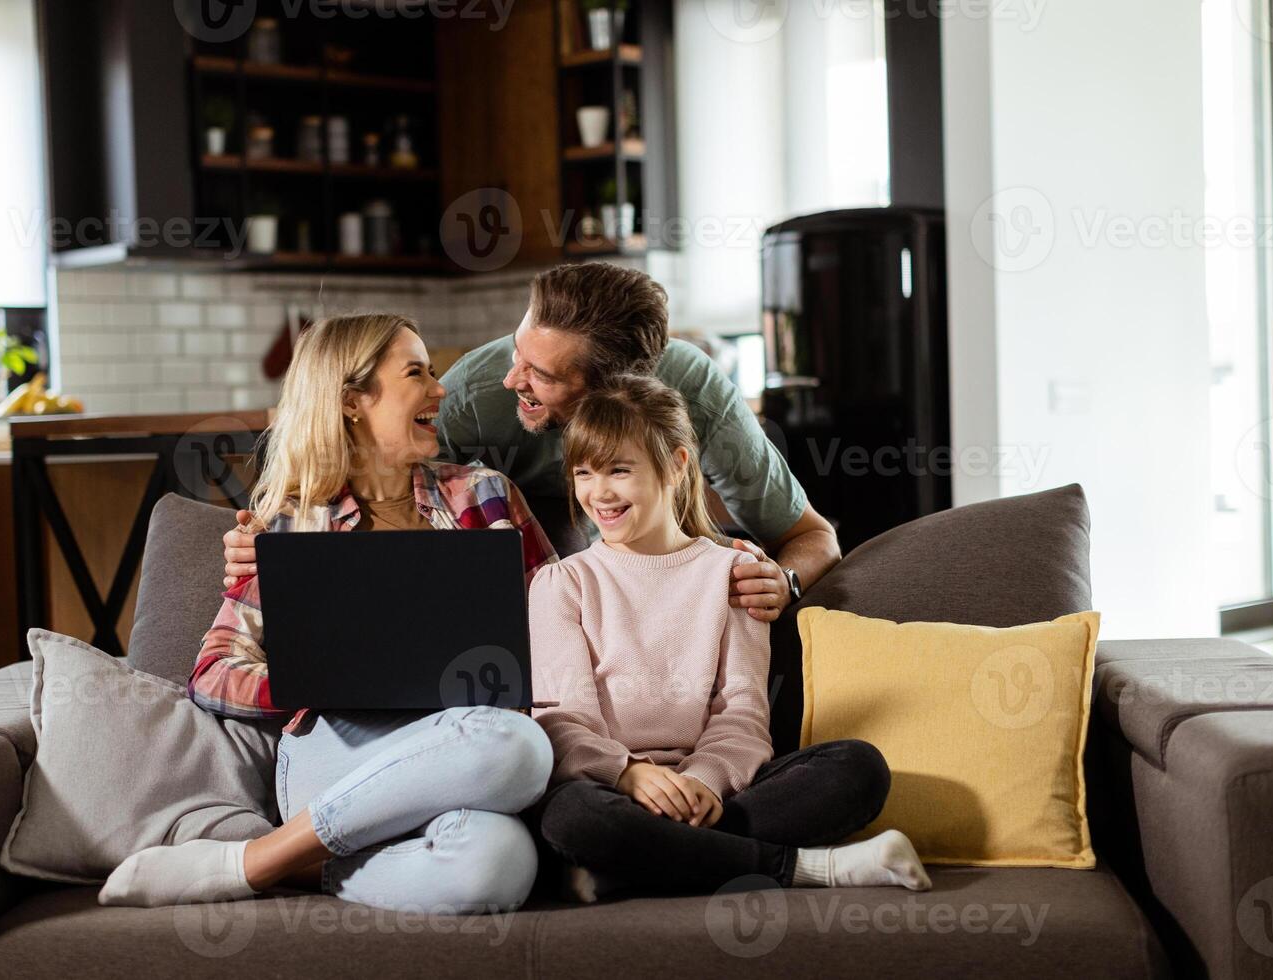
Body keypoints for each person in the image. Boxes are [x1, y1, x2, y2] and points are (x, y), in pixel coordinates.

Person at [97, 314, 557, 914]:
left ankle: (275, 863)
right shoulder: (294, 523)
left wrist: (702, 554)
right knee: (519, 746)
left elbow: (560, 616)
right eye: (416, 373)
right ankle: (266, 855)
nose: (439, 390)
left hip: (463, 747)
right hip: (335, 749)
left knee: (499, 864)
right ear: (351, 402)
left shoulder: (484, 494)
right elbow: (211, 672)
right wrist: (326, 678)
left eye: (434, 372)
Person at [221, 262, 840, 629]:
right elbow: (391, 504)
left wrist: (783, 581)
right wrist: (277, 543)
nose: (514, 377)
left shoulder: (695, 393)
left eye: (540, 375)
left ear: (611, 390)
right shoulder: (473, 396)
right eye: (519, 351)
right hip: (539, 581)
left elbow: (814, 537)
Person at [527, 376, 930, 900]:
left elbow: (741, 712)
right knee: (575, 818)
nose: (597, 493)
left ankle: (632, 866)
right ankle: (804, 868)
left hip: (715, 790)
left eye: (618, 471)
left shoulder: (734, 573)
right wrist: (628, 775)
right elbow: (561, 721)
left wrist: (704, 780)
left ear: (675, 465)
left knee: (856, 768)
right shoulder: (563, 583)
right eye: (584, 473)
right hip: (610, 790)